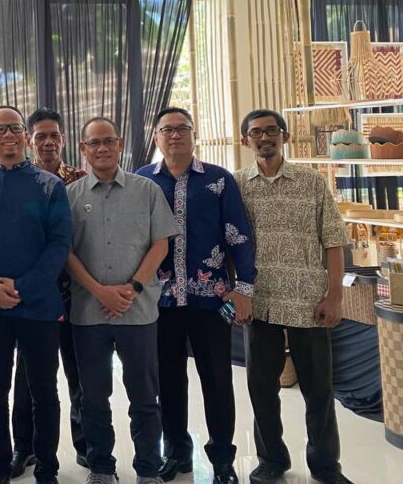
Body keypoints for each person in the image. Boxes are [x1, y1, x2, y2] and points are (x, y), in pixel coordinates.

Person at [136, 107, 256, 484]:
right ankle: (176, 452)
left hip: (213, 301)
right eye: (167, 129)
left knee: (217, 379)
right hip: (160, 301)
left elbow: (238, 235)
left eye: (182, 128)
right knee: (168, 381)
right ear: (156, 137)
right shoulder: (142, 180)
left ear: (193, 134)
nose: (175, 135)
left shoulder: (219, 180)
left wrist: (244, 288)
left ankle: (222, 459)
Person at [234, 110, 353, 484]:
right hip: (261, 301)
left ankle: (325, 465)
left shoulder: (311, 181)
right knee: (262, 389)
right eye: (256, 132)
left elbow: (333, 241)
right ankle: (271, 459)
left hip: (309, 302)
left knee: (319, 390)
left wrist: (334, 297)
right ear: (245, 141)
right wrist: (237, 293)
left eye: (271, 130)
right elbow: (228, 243)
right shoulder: (237, 185)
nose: (264, 138)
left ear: (284, 136)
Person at [67, 116, 178, 484]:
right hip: (89, 313)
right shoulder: (70, 196)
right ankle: (101, 467)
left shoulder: (147, 190)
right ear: (83, 149)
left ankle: (148, 468)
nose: (101, 148)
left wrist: (133, 288)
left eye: (108, 141)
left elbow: (160, 244)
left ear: (120, 145)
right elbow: (65, 252)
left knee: (144, 397)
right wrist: (100, 291)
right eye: (94, 142)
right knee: (93, 399)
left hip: (138, 311)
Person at [0, 105, 72, 484]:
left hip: (38, 305)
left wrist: (24, 287)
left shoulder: (50, 185)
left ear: (26, 136)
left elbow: (59, 243)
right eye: (0, 129)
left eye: (14, 128)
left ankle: (46, 468)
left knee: (44, 392)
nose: (8, 135)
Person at [11, 107, 88, 479]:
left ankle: (85, 445)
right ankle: (24, 447)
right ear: (29, 140)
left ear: (63, 139)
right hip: (33, 298)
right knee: (27, 379)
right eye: (40, 136)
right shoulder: (19, 180)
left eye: (54, 135)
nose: (47, 142)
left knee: (80, 374)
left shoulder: (81, 180)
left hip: (76, 295)